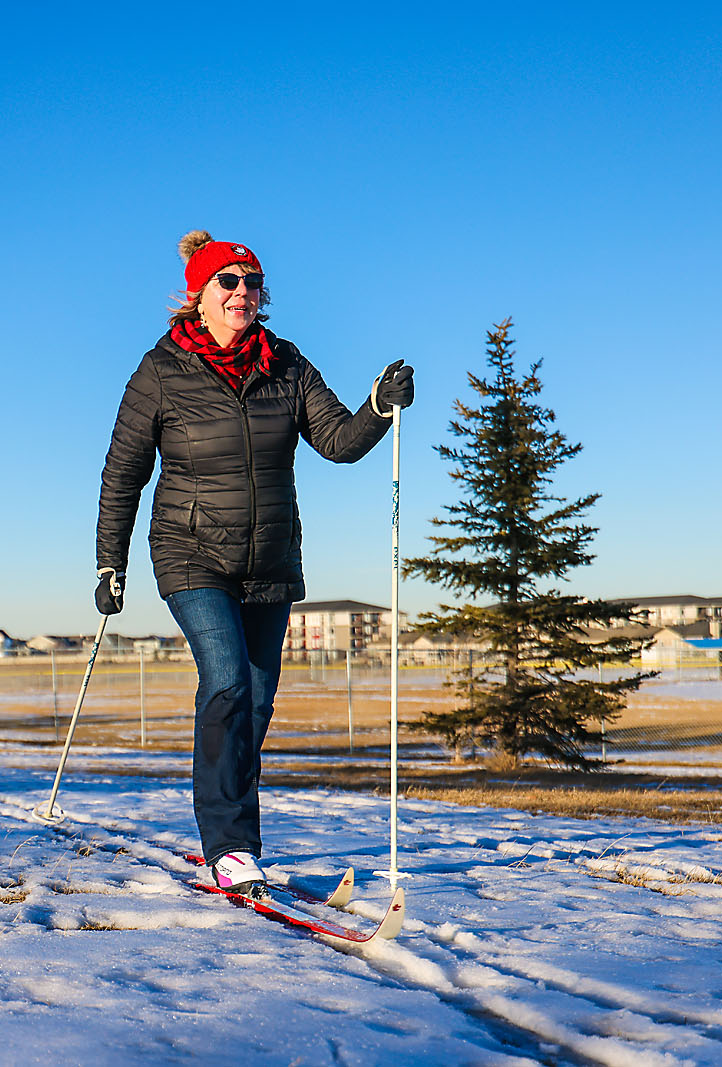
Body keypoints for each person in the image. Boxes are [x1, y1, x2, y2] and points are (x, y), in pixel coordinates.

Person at [96, 230, 414, 897]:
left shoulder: (287, 364)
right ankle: (229, 844)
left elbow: (337, 441)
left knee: (259, 698)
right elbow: (125, 470)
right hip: (190, 554)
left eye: (251, 282)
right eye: (228, 282)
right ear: (199, 295)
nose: (242, 291)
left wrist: (379, 409)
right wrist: (109, 562)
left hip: (269, 557)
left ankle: (230, 832)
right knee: (228, 682)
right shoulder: (161, 370)